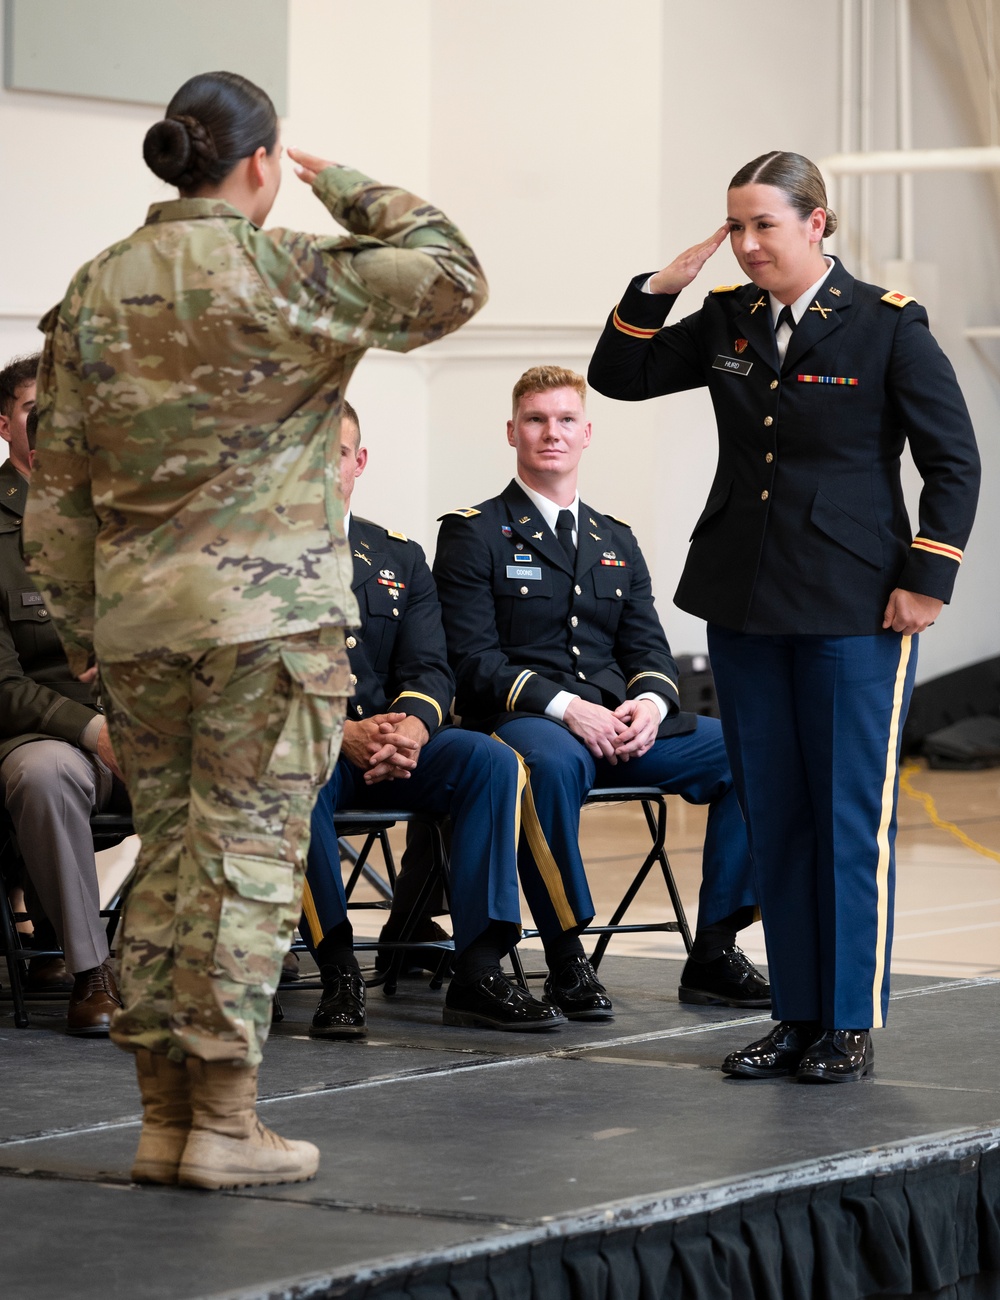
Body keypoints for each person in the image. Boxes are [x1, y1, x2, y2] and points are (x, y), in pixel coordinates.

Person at [24, 70, 487, 1189]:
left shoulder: (97, 286)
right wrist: (349, 184)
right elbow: (454, 275)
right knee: (246, 864)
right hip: (264, 629)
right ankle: (226, 1124)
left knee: (172, 857)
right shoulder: (288, 272)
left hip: (137, 630)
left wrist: (86, 628)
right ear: (262, 161)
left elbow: (55, 482)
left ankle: (163, 1121)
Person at [588, 150, 980, 1082]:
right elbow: (619, 375)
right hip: (746, 597)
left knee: (846, 815)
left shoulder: (887, 326)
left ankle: (847, 1018)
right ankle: (794, 1013)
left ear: (816, 222)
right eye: (736, 226)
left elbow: (954, 461)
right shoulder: (725, 318)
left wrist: (928, 578)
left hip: (856, 606)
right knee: (777, 814)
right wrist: (658, 287)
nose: (748, 243)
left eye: (765, 224)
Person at [431, 365, 767, 1022]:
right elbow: (471, 661)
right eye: (535, 420)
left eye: (563, 421)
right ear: (512, 432)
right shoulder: (473, 532)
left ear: (587, 433)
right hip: (529, 720)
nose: (549, 433)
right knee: (547, 764)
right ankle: (565, 956)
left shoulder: (615, 539)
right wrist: (565, 707)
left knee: (742, 751)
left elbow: (649, 650)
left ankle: (716, 949)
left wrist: (650, 705)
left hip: (619, 726)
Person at [300, 402, 562, 1036]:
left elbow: (431, 669)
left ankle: (478, 971)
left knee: (489, 760)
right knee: (284, 776)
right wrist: (340, 735)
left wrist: (413, 726)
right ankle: (338, 973)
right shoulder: (242, 559)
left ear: (357, 463)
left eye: (334, 451)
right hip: (303, 748)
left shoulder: (397, 557)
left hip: (395, 746)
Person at [0, 356, 127, 1034]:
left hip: (148, 729)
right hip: (54, 740)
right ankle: (90, 971)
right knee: (42, 775)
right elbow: (2, 684)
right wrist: (91, 731)